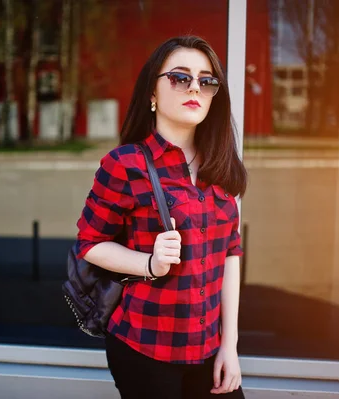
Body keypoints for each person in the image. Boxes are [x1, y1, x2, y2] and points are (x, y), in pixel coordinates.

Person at [74, 35, 247, 399]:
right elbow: (90, 244)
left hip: (209, 349)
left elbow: (230, 254)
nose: (195, 88)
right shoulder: (125, 164)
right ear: (152, 93)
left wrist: (229, 345)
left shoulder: (221, 167)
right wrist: (150, 262)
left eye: (206, 80)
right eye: (180, 77)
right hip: (145, 348)